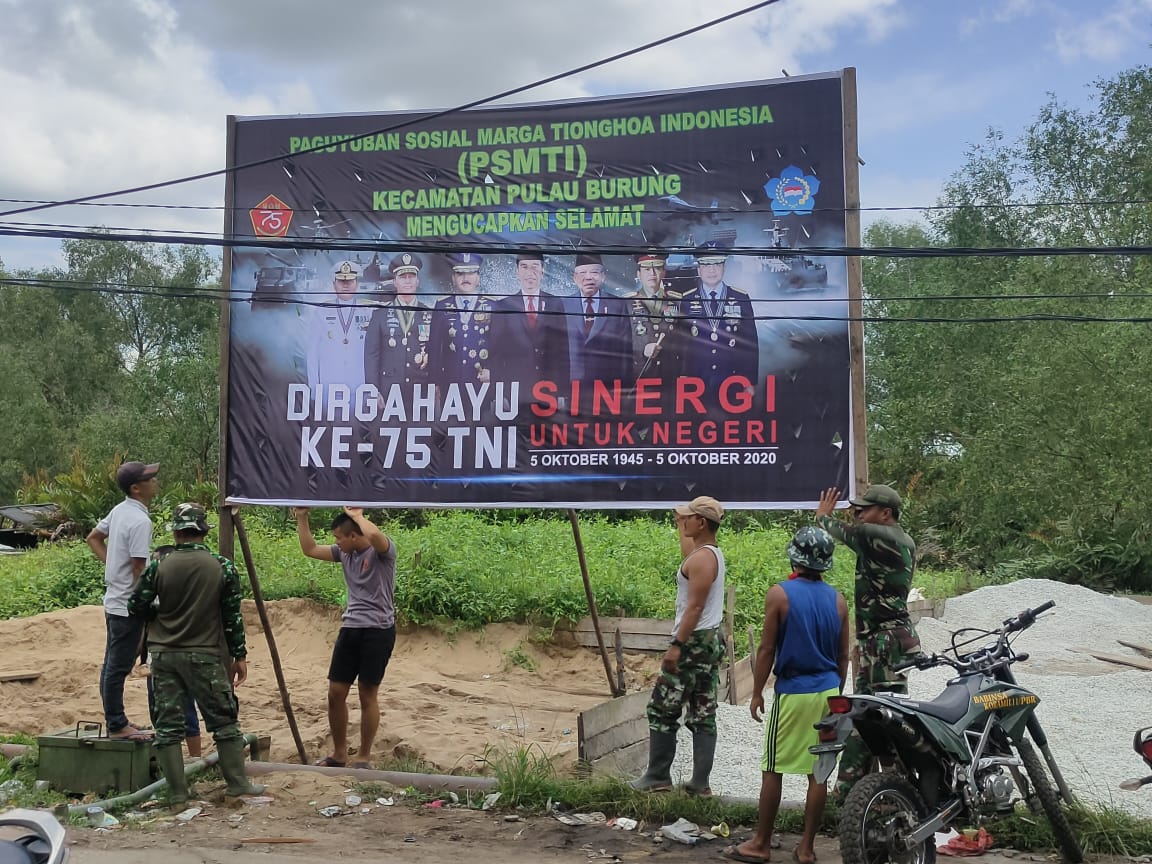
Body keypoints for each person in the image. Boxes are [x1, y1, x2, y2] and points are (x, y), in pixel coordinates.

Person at [722, 527, 849, 864]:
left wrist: (757, 692)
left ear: (795, 557)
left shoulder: (780, 594)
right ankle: (806, 848)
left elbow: (766, 649)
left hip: (794, 693)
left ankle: (760, 843)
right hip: (828, 690)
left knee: (772, 767)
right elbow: (843, 656)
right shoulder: (838, 599)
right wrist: (837, 695)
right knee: (818, 772)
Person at [127, 504, 265, 804]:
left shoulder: (158, 566)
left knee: (168, 727)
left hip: (164, 656)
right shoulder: (222, 566)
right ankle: (237, 785)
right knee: (224, 721)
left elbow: (136, 606)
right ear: (203, 531)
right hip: (205, 655)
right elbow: (232, 617)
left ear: (176, 532)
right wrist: (239, 656)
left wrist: (160, 614)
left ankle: (177, 793)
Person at [815, 483, 920, 801]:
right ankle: (878, 791)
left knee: (876, 716)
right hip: (888, 639)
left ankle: (865, 791)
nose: (857, 513)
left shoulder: (878, 536)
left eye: (865, 509)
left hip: (885, 641)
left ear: (886, 514)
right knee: (878, 714)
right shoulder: (900, 538)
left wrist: (823, 516)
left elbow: (840, 530)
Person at [630, 496, 726, 795]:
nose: (682, 521)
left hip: (692, 641)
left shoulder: (701, 559)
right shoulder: (709, 554)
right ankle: (700, 784)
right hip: (709, 639)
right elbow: (689, 553)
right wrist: (678, 522)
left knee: (661, 708)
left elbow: (694, 607)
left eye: (687, 518)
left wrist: (676, 645)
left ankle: (657, 776)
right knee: (703, 710)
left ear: (701, 522)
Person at [294, 506, 397, 768]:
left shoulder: (382, 553)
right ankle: (339, 754)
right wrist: (302, 516)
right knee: (335, 692)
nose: (336, 542)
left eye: (340, 537)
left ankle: (363, 756)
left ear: (354, 536)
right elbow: (309, 549)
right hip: (351, 628)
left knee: (367, 693)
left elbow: (375, 537)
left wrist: (358, 516)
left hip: (378, 630)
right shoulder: (344, 554)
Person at [85, 460, 160, 741]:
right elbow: (140, 568)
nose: (155, 481)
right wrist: (147, 602)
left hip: (114, 599)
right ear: (137, 488)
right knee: (118, 667)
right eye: (150, 479)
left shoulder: (120, 511)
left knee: (111, 664)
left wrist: (112, 566)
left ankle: (118, 720)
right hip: (128, 604)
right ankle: (117, 724)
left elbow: (93, 537)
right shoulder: (140, 520)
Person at [140, 544, 202, 759]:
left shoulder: (181, 595)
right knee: (162, 712)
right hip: (160, 659)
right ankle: (174, 759)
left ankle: (193, 758)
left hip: (172, 658)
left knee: (183, 713)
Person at [679, 240, 758, 408]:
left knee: (733, 428)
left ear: (724, 267)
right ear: (699, 269)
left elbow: (751, 344)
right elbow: (682, 345)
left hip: (733, 379)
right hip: (697, 382)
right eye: (706, 264)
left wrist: (750, 382)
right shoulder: (687, 301)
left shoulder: (740, 299)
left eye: (716, 263)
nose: (712, 270)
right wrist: (683, 378)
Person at [488, 252, 570, 411]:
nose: (530, 272)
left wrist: (562, 393)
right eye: (524, 267)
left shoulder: (555, 303)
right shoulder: (503, 306)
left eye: (535, 267)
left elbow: (563, 352)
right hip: (515, 394)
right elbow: (496, 356)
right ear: (517, 272)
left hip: (549, 392)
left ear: (543, 270)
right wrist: (499, 394)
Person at [564, 253, 631, 400]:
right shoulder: (563, 305)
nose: (588, 277)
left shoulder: (617, 306)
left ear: (603, 276)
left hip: (609, 389)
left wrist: (625, 390)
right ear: (574, 278)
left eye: (594, 272)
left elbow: (626, 352)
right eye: (582, 273)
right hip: (571, 389)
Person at [364, 253, 435, 389]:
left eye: (412, 276)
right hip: (388, 392)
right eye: (402, 277)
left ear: (417, 281)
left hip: (421, 392)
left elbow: (437, 355)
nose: (408, 281)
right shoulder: (380, 315)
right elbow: (372, 357)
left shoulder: (430, 314)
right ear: (395, 282)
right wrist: (373, 391)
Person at [306, 260, 373, 396]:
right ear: (334, 284)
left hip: (360, 386)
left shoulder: (368, 311)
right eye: (341, 281)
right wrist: (314, 389)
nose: (346, 285)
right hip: (328, 387)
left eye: (350, 281)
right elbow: (312, 354)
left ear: (357, 284)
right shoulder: (321, 312)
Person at [429, 252, 494, 387]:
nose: (466, 278)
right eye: (460, 273)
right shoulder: (441, 305)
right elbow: (434, 350)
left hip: (483, 384)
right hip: (450, 385)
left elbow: (501, 347)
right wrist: (434, 384)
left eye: (471, 273)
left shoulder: (493, 306)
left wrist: (493, 372)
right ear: (453, 278)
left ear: (478, 278)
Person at [626, 252, 682, 383]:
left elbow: (684, 343)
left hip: (670, 378)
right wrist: (642, 351)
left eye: (657, 268)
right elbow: (621, 344)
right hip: (638, 376)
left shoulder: (677, 301)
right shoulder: (626, 303)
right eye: (646, 269)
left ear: (663, 272)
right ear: (638, 274)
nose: (652, 273)